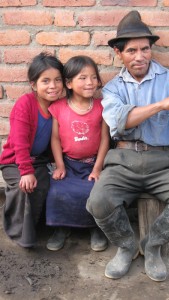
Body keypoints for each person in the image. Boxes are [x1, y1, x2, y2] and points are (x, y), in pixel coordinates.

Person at [86, 11, 169, 282]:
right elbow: (121, 122)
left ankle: (153, 245)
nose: (140, 56)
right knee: (97, 202)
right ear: (118, 52)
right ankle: (126, 245)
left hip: (164, 163)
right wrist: (161, 104)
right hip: (122, 161)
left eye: (145, 49)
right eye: (132, 50)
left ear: (151, 49)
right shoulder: (112, 89)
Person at [0, 52, 64, 248]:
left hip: (39, 161)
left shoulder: (58, 107)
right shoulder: (25, 104)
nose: (53, 86)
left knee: (45, 186)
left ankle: (38, 225)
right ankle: (20, 233)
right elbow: (19, 143)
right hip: (14, 162)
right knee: (25, 187)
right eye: (46, 81)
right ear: (33, 84)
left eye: (58, 80)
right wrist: (26, 172)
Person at [45, 55, 109, 252]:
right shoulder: (58, 108)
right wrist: (60, 165)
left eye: (93, 77)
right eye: (82, 78)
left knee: (94, 191)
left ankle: (95, 228)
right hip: (69, 164)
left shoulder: (102, 107)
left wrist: (97, 168)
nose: (90, 82)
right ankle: (62, 228)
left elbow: (106, 139)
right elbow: (55, 139)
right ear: (69, 83)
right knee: (57, 191)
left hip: (93, 163)